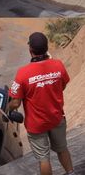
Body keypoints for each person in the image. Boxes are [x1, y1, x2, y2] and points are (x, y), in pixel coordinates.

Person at [8, 32, 74, 175]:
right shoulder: (58, 65)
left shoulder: (22, 73)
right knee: (62, 149)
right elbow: (62, 85)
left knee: (44, 159)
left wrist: (8, 108)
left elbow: (15, 102)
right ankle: (71, 172)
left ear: (30, 50)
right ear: (46, 48)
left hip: (36, 124)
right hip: (56, 118)